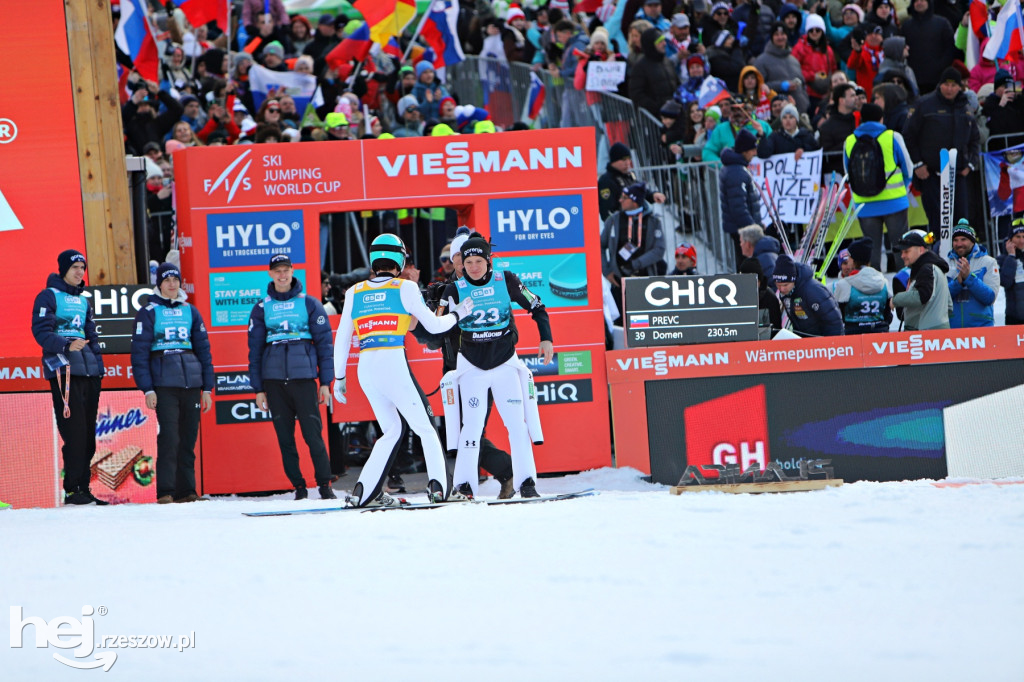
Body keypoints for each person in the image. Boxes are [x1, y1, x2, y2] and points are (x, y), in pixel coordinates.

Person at [334, 235, 474, 507]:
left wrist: (339, 377)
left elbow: (342, 337)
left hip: (366, 369)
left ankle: (365, 492)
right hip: (392, 364)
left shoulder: (354, 291)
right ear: (399, 260)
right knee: (425, 428)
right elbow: (434, 326)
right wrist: (459, 314)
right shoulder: (405, 287)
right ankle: (441, 490)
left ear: (373, 260)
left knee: (391, 430)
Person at [442, 236, 554, 500]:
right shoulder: (454, 289)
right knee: (471, 427)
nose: (474, 267)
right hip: (472, 366)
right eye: (469, 262)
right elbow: (435, 326)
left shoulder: (506, 280)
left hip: (504, 363)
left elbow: (537, 305)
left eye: (479, 261)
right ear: (462, 263)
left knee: (517, 424)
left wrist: (546, 338)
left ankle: (527, 483)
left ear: (488, 261)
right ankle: (464, 486)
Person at [415, 229, 516, 499]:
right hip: (454, 371)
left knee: (470, 431)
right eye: (458, 257)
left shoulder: (494, 285)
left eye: (469, 256)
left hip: (486, 366)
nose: (464, 262)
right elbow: (432, 339)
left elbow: (510, 328)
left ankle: (501, 474)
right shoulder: (445, 290)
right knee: (462, 432)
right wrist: (418, 311)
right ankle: (480, 480)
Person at [247, 254, 337, 501]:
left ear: (292, 271)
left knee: (313, 437)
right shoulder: (261, 308)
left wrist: (325, 383)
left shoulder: (309, 303)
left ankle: (325, 485)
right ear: (270, 274)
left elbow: (325, 347)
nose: (282, 275)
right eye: (277, 271)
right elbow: (254, 352)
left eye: (285, 270)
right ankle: (299, 487)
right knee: (285, 440)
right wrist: (258, 389)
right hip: (274, 383)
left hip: (304, 379)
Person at [130, 263, 214, 504]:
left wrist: (207, 388)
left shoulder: (190, 310)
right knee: (170, 437)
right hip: (164, 385)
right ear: (159, 284)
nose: (172, 284)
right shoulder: (149, 311)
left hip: (192, 384)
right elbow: (139, 354)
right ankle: (166, 491)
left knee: (188, 438)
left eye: (175, 280)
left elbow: (204, 351)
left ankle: (187, 491)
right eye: (167, 280)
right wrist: (147, 389)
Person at [31, 250, 107, 506]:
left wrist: (99, 367)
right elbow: (41, 332)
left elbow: (92, 337)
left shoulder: (83, 301)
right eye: (75, 267)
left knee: (88, 437)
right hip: (64, 371)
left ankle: (83, 488)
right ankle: (72, 490)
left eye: (82, 268)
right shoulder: (48, 295)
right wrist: (65, 345)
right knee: (75, 434)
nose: (79, 272)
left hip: (89, 372)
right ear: (64, 269)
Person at [901, 68, 980, 232]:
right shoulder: (924, 104)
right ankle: (938, 248)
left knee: (961, 222)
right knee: (938, 223)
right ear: (940, 84)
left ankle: (961, 249)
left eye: (953, 85)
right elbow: (908, 135)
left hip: (957, 174)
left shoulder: (965, 107)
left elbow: (975, 139)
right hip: (931, 174)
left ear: (960, 87)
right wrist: (917, 164)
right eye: (946, 84)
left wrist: (970, 164)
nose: (949, 89)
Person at [843, 102, 912, 270]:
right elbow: (908, 168)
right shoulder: (892, 137)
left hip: (865, 204)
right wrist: (904, 187)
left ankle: (873, 284)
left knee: (871, 253)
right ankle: (904, 283)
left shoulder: (849, 141)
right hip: (894, 201)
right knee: (901, 249)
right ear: (881, 118)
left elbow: (848, 173)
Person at [601, 182, 667, 309]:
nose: (620, 200)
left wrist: (636, 264)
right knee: (620, 319)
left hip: (646, 283)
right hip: (619, 282)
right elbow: (600, 246)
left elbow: (659, 250)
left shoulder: (653, 221)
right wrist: (606, 271)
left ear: (635, 201)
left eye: (624, 198)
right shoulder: (613, 220)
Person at [891, 229, 952, 330]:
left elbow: (922, 296)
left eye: (906, 251)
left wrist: (896, 299)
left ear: (921, 250)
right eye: (901, 252)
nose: (902, 256)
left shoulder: (926, 269)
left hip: (925, 334)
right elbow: (949, 306)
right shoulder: (936, 268)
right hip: (937, 332)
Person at [772, 255, 845, 336]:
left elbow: (833, 320)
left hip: (823, 338)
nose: (782, 289)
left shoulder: (813, 290)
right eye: (778, 285)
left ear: (794, 280)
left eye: (785, 285)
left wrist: (834, 341)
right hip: (805, 339)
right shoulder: (786, 293)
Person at [719, 130, 762, 267]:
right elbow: (738, 207)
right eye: (752, 150)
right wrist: (753, 228)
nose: (755, 153)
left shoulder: (736, 168)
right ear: (744, 150)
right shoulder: (736, 172)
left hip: (741, 227)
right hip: (743, 229)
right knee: (747, 263)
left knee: (745, 262)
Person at [946, 220, 999, 328]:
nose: (959, 244)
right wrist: (957, 283)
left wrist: (969, 278)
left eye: (963, 239)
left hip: (981, 329)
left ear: (972, 241)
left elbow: (989, 298)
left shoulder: (988, 262)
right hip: (952, 330)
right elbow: (941, 300)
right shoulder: (945, 264)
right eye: (955, 240)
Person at [833, 238, 893, 333]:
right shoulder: (883, 282)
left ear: (853, 260)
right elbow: (888, 314)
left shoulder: (844, 284)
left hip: (853, 335)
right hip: (880, 332)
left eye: (849, 257)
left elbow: (837, 315)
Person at [597, 142, 666, 220]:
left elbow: (639, 190)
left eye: (629, 159)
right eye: (624, 159)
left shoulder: (628, 176)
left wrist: (653, 195)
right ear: (614, 160)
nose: (628, 163)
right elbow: (607, 212)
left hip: (637, 221)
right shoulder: (606, 181)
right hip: (623, 224)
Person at [752, 23, 810, 115]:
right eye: (776, 34)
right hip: (776, 115)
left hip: (799, 113)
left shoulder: (794, 60)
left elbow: (802, 85)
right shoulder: (761, 61)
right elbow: (758, 87)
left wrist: (805, 102)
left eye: (783, 34)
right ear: (772, 37)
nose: (780, 37)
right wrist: (781, 86)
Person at [739, 257, 783, 337]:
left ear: (760, 281)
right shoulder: (735, 297)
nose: (749, 284)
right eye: (746, 280)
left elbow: (776, 330)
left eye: (754, 281)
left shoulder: (770, 298)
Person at [738, 224, 781, 289]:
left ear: (748, 244)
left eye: (741, 242)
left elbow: (776, 286)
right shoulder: (766, 256)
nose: (740, 245)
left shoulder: (763, 260)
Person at [999, 220, 1024, 325]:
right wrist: (1011, 256)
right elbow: (1005, 282)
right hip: (1014, 319)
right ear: (1010, 240)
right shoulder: (1003, 259)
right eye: (1018, 237)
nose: (1021, 241)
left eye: (1023, 237)